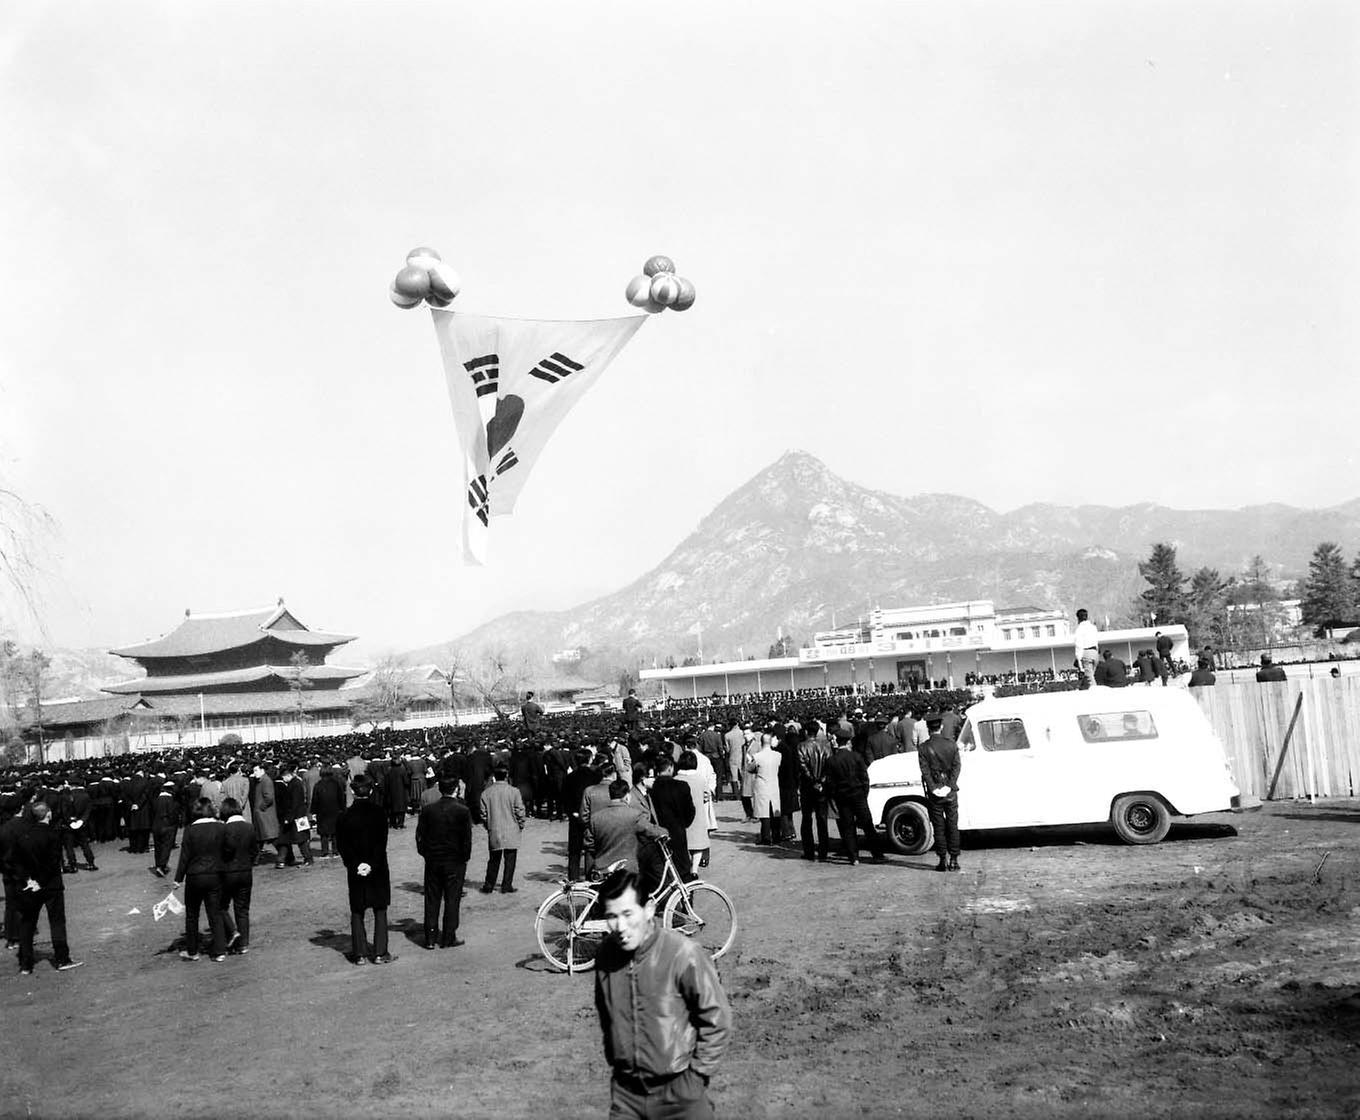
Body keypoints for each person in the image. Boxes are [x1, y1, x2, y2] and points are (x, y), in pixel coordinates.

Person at [593, 868, 731, 1120]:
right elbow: (606, 1014)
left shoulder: (683, 954)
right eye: (611, 916)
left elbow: (717, 1019)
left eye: (627, 914)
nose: (620, 926)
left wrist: (696, 1077)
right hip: (627, 1096)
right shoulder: (605, 955)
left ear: (648, 908)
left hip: (679, 1095)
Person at [11, 801, 82, 974]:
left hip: (30, 886)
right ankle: (62, 959)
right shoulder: (53, 835)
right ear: (48, 814)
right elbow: (52, 863)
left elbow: (17, 863)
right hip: (51, 885)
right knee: (57, 922)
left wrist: (28, 880)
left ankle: (26, 964)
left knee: (28, 922)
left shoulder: (23, 835)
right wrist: (40, 881)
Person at [336, 774, 396, 966]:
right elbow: (381, 843)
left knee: (357, 909)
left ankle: (360, 953)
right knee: (379, 908)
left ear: (353, 792)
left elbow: (343, 846)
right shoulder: (379, 813)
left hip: (356, 868)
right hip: (377, 867)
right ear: (370, 791)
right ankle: (380, 952)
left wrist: (355, 865)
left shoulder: (344, 816)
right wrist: (371, 863)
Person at [415, 778, 472, 949]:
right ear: (456, 789)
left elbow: (420, 836)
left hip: (433, 860)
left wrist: (426, 853)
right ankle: (448, 937)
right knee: (452, 899)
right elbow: (466, 840)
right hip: (454, 861)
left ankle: (430, 938)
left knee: (432, 899)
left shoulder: (428, 810)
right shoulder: (462, 811)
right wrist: (464, 858)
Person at [172, 798, 228, 962]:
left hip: (195, 875)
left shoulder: (190, 830)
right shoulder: (220, 827)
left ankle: (193, 951)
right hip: (215, 874)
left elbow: (185, 857)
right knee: (215, 913)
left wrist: (178, 879)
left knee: (192, 915)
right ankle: (220, 951)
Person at [823, 728, 885, 865]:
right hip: (858, 795)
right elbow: (865, 778)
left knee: (848, 827)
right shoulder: (856, 757)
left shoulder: (831, 761)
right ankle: (877, 854)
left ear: (837, 742)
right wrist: (864, 793)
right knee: (868, 825)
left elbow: (830, 783)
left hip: (842, 797)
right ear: (848, 741)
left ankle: (853, 857)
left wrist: (835, 795)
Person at [918, 713, 962, 872]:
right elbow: (957, 767)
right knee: (952, 825)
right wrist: (950, 785)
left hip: (934, 792)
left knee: (938, 827)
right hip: (950, 792)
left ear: (928, 728)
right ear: (941, 727)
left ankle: (942, 860)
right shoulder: (951, 744)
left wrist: (934, 788)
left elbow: (925, 771)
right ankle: (954, 860)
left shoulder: (923, 748)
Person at [478, 765, 526, 894]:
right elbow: (520, 810)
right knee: (510, 859)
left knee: (493, 859)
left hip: (495, 829)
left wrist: (488, 825)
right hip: (511, 828)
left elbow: (483, 814)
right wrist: (520, 824)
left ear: (494, 776)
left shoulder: (486, 793)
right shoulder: (514, 791)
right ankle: (507, 885)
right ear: (507, 776)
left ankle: (489, 885)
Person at [219, 797, 257, 955]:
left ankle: (232, 931)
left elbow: (224, 852)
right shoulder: (249, 827)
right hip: (246, 872)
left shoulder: (224, 829)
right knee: (242, 909)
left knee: (221, 906)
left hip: (228, 872)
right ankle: (243, 944)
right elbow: (255, 850)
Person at [650, 755, 697, 880]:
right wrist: (683, 824)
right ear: (670, 768)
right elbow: (690, 811)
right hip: (678, 831)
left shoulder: (652, 789)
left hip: (657, 833)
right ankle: (684, 897)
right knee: (682, 868)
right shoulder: (682, 786)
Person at [796, 724, 832, 862]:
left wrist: (812, 781)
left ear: (806, 731)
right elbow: (829, 766)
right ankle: (823, 852)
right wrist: (821, 781)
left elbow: (802, 766)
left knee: (806, 820)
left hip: (807, 788)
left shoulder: (801, 746)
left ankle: (809, 851)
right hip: (821, 788)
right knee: (822, 820)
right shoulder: (826, 746)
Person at [744, 730, 782, 845]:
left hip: (762, 784)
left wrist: (750, 762)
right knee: (774, 811)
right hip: (774, 784)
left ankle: (765, 837)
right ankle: (776, 836)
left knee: (764, 812)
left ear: (761, 742)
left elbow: (750, 769)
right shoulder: (778, 755)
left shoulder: (757, 756)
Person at [149, 780, 179, 878]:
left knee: (158, 846)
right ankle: (162, 865)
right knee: (166, 846)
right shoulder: (171, 800)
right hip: (167, 825)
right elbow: (173, 814)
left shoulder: (155, 800)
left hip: (156, 825)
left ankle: (158, 864)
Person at [1073, 608, 1100, 689]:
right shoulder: (1093, 627)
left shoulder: (1079, 629)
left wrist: (1079, 660)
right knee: (1091, 676)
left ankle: (1096, 694)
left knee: (1090, 678)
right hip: (1095, 652)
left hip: (1086, 652)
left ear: (1078, 618)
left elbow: (1079, 645)